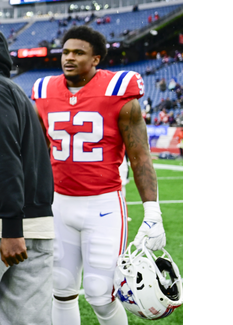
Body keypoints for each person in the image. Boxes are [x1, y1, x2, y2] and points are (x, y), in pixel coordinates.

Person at [32, 26, 167, 325]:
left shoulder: (119, 90)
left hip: (103, 204)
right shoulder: (43, 91)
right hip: (59, 203)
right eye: (66, 52)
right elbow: (40, 154)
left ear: (96, 59)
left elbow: (140, 155)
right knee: (61, 287)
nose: (69, 58)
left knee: (100, 292)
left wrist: (152, 210)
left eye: (78, 53)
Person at [0, 27, 54, 324]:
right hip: (36, 224)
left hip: (2, 228)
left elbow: (5, 159)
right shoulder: (13, 90)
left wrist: (11, 227)